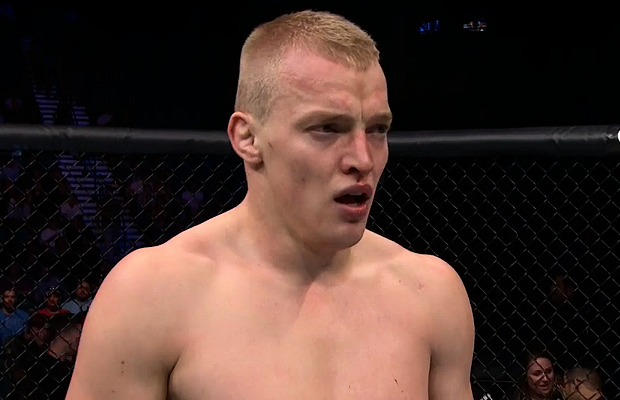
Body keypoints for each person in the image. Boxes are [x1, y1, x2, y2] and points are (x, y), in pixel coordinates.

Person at [66, 10, 475, 400]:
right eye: (327, 128)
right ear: (248, 138)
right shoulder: (150, 296)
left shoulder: (430, 294)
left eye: (377, 129)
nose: (362, 159)